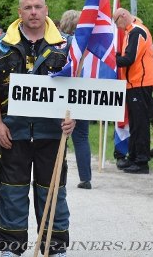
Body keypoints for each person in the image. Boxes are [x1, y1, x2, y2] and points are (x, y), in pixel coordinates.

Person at [0, 0, 75, 257]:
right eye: (27, 7)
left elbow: (81, 87)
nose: (33, 12)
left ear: (47, 10)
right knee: (12, 193)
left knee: (53, 194)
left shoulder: (67, 45)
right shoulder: (1, 44)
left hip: (52, 135)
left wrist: (74, 120)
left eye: (37, 7)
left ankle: (55, 249)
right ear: (19, 12)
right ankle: (11, 249)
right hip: (13, 132)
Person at [113, 8, 153, 174]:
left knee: (140, 123)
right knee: (135, 124)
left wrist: (111, 59)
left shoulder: (137, 32)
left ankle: (142, 161)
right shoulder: (132, 32)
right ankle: (133, 157)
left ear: (123, 16)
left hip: (140, 83)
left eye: (117, 23)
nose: (118, 27)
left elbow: (128, 59)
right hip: (133, 84)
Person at [60, 10, 92, 189]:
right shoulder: (85, 43)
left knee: (59, 134)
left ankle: (58, 172)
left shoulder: (61, 43)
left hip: (63, 92)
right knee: (81, 137)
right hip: (81, 92)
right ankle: (85, 178)